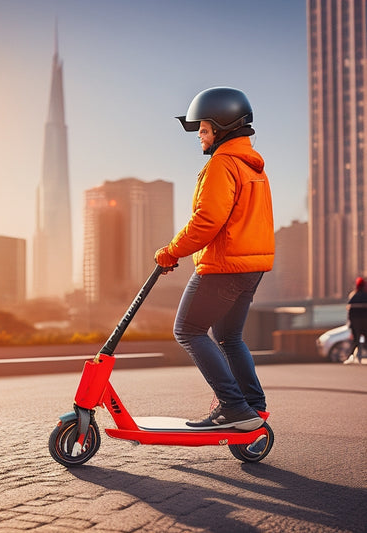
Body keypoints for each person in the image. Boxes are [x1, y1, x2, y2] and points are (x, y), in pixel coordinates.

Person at [155, 87, 275, 431]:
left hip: (224, 266)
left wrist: (170, 252)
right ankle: (253, 407)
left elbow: (207, 220)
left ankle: (233, 407)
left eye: (204, 130)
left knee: (187, 330)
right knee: (228, 336)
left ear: (223, 128)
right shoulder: (253, 167)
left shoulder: (222, 164)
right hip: (252, 267)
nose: (201, 138)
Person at [345, 276, 367, 364]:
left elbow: (350, 312)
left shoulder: (353, 296)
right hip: (365, 322)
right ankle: (354, 356)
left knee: (356, 340)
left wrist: (351, 324)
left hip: (355, 322)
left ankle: (350, 357)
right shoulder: (365, 296)